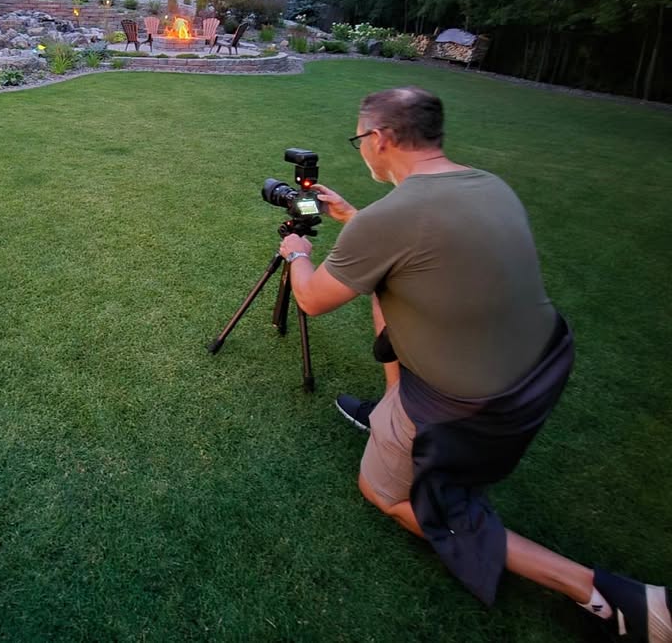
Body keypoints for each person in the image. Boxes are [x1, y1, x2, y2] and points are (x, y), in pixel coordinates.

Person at [277, 86, 669, 642]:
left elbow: (312, 299)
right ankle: (392, 410)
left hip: (473, 410)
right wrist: (351, 216)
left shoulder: (392, 218)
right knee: (385, 286)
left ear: (379, 138)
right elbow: (422, 247)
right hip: (538, 372)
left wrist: (298, 255)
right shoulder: (488, 184)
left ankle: (605, 594)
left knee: (385, 494)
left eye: (359, 138)